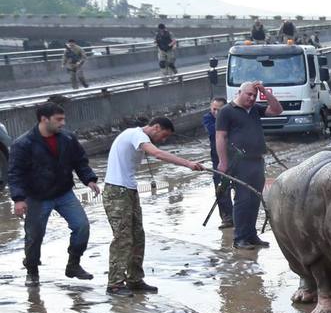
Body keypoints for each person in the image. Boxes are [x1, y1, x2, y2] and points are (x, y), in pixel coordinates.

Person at [102, 118, 204, 296]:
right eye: (163, 135)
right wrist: (188, 164)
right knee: (123, 238)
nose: (162, 140)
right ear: (156, 127)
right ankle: (115, 284)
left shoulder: (137, 136)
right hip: (116, 192)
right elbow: (157, 154)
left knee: (137, 236)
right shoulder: (136, 135)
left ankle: (134, 279)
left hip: (129, 190)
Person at [9, 101, 99, 286]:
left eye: (63, 119)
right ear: (44, 119)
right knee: (34, 236)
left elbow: (80, 161)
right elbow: (15, 173)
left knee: (82, 226)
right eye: (59, 119)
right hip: (37, 197)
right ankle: (32, 270)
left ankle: (73, 264)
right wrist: (18, 199)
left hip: (64, 192)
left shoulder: (68, 138)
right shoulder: (23, 144)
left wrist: (89, 179)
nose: (63, 123)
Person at [215, 81, 283, 250]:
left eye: (254, 95)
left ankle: (251, 235)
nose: (252, 98)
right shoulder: (226, 111)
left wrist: (265, 92)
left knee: (255, 198)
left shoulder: (255, 109)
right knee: (243, 199)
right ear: (239, 93)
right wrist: (222, 161)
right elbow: (220, 137)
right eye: (249, 94)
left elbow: (277, 110)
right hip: (239, 162)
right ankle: (240, 238)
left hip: (257, 160)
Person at [202, 96, 234, 228]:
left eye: (219, 110)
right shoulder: (208, 118)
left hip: (235, 155)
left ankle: (240, 215)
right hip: (218, 158)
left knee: (240, 186)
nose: (215, 112)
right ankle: (227, 217)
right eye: (214, 109)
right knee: (221, 187)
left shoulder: (232, 116)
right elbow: (215, 132)